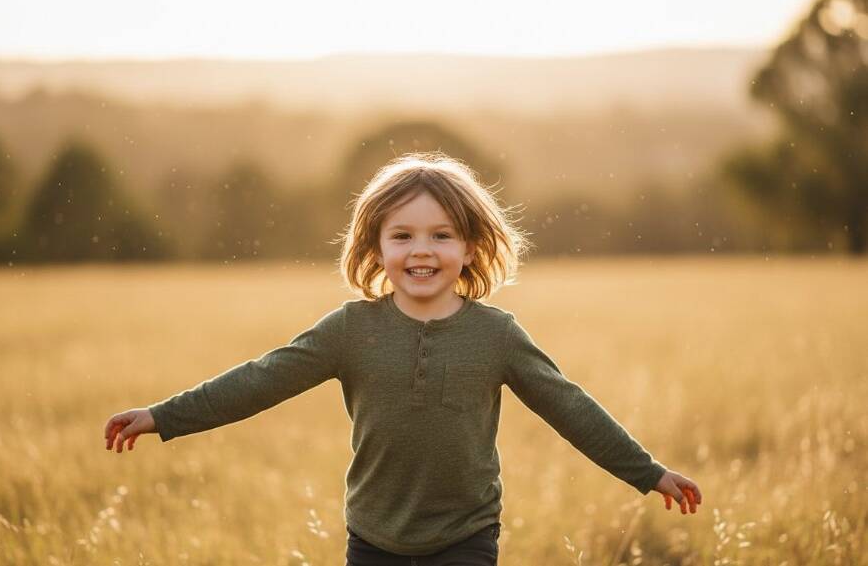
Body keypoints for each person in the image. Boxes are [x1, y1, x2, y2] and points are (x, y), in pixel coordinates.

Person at [104, 152, 702, 565]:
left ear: (469, 248)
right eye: (403, 235)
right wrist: (164, 416)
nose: (422, 250)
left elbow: (568, 406)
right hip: (373, 537)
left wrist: (647, 473)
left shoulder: (497, 336)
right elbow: (261, 380)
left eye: (442, 236)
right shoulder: (349, 330)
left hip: (466, 534)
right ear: (376, 246)